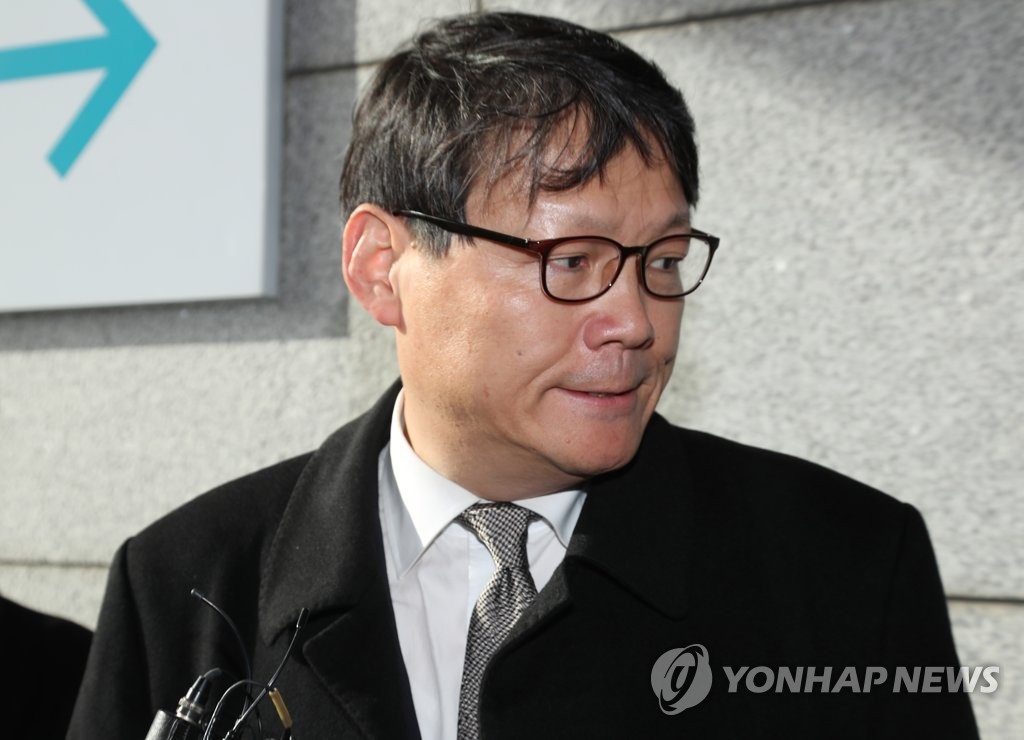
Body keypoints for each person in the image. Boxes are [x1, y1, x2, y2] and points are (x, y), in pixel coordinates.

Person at [69, 11, 979, 739]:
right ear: (382, 268)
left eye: (663, 262)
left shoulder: (845, 566)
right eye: (571, 261)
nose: (636, 321)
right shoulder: (186, 582)